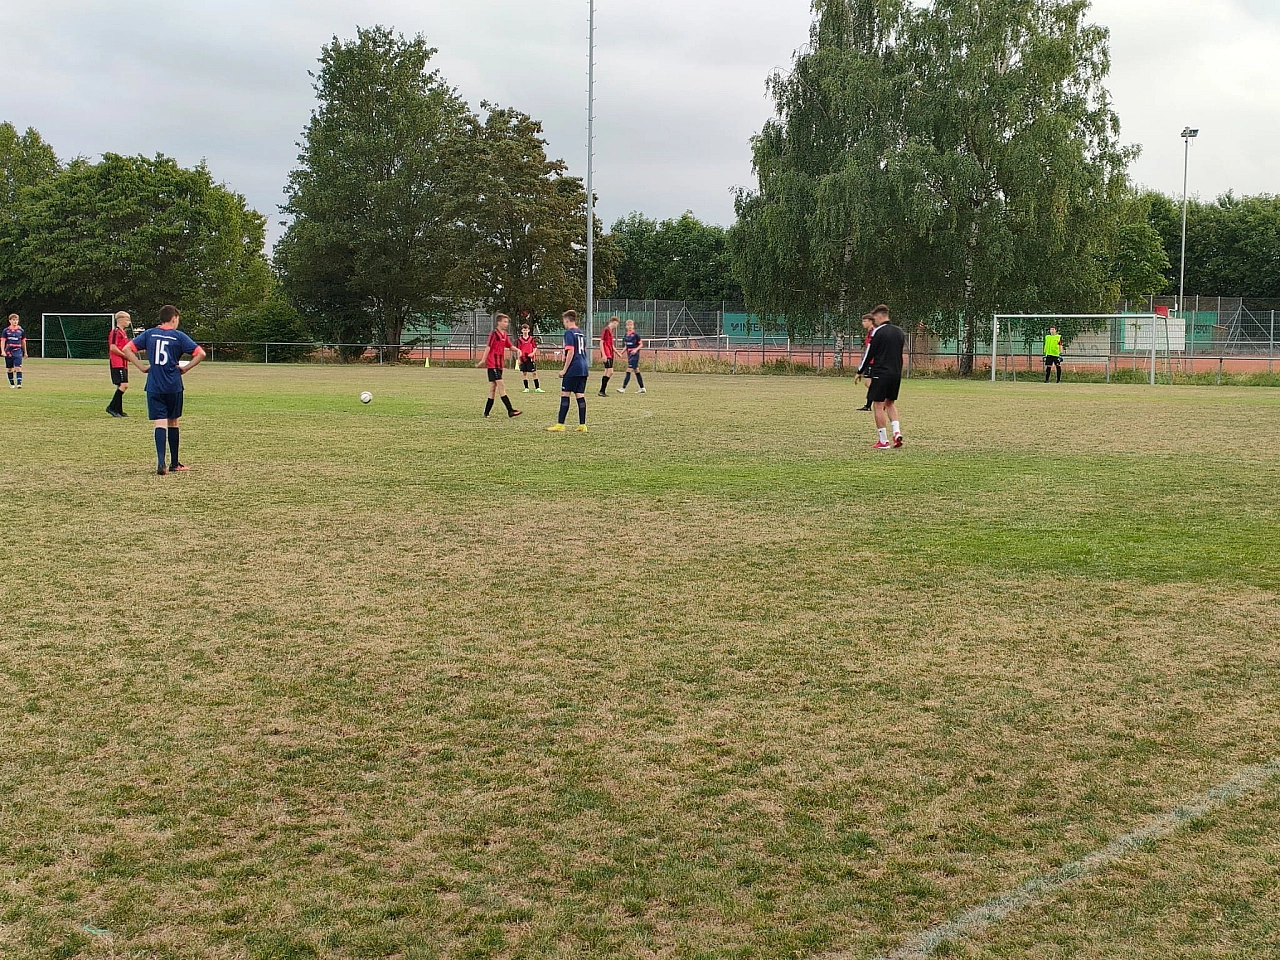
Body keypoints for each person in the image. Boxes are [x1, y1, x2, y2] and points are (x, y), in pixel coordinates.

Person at [115, 304, 206, 475]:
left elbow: (127, 349)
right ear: (174, 318)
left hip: (154, 385)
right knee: (173, 421)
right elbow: (201, 353)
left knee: (160, 423)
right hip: (173, 385)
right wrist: (186, 368)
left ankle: (161, 462)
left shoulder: (149, 334)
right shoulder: (179, 336)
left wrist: (142, 367)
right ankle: (175, 463)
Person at [858, 304, 906, 450]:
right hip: (896, 373)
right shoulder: (899, 332)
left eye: (875, 318)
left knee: (878, 405)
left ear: (880, 316)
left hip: (881, 373)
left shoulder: (878, 332)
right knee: (890, 403)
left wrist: (860, 370)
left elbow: (869, 352)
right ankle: (896, 432)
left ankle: (883, 441)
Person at [547, 309, 588, 433]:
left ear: (566, 320)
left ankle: (560, 424)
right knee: (579, 395)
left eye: (563, 321)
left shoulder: (569, 333)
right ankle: (582, 425)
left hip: (573, 368)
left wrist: (564, 370)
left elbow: (571, 351)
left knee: (565, 394)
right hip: (583, 367)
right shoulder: (581, 333)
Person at [476, 313, 522, 419]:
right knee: (501, 386)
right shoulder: (494, 334)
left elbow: (509, 346)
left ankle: (486, 412)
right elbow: (488, 347)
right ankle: (510, 410)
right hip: (493, 364)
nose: (506, 324)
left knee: (493, 388)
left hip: (499, 365)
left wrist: (518, 350)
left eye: (507, 322)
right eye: (504, 322)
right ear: (499, 322)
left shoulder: (504, 335)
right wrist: (483, 360)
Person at [106, 311, 134, 416]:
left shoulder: (123, 333)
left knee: (121, 385)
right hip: (117, 362)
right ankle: (111, 407)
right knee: (124, 385)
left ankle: (118, 410)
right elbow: (113, 348)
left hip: (123, 363)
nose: (129, 322)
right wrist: (124, 355)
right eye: (127, 320)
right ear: (121, 319)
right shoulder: (115, 332)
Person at [617, 319, 646, 394]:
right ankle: (642, 388)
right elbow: (626, 346)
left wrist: (636, 350)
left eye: (631, 325)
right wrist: (621, 353)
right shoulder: (626, 335)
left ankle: (623, 388)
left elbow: (641, 344)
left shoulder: (636, 335)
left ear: (633, 326)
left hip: (635, 355)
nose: (630, 326)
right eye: (628, 325)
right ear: (626, 326)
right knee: (636, 370)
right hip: (629, 355)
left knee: (628, 370)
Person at [854, 314, 875, 411]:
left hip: (872, 362)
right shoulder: (869, 332)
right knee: (870, 384)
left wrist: (860, 370)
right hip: (869, 361)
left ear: (871, 321)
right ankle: (868, 405)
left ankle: (881, 400)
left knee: (869, 384)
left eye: (865, 321)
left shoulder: (873, 332)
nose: (863, 323)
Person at [517, 322, 543, 393]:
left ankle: (537, 388)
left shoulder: (531, 339)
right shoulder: (520, 340)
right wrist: (519, 359)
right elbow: (518, 350)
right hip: (523, 358)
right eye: (524, 330)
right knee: (524, 373)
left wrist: (533, 353)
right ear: (522, 331)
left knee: (534, 373)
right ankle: (526, 388)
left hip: (530, 358)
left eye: (526, 330)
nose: (525, 331)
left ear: (528, 330)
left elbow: (535, 347)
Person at [598, 316, 619, 396]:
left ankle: (602, 391)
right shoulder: (606, 330)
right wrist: (603, 354)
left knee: (607, 371)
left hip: (610, 353)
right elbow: (601, 342)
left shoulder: (610, 331)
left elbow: (610, 344)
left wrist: (617, 352)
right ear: (614, 322)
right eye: (616, 324)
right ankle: (602, 390)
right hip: (607, 354)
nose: (616, 326)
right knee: (610, 371)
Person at [3, 314, 27, 389]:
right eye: (13, 320)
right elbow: (3, 341)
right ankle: (12, 384)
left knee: (18, 367)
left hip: (18, 351)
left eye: (16, 320)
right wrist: (2, 351)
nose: (15, 321)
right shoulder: (6, 331)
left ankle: (19, 384)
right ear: (10, 321)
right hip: (8, 351)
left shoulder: (21, 331)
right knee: (10, 369)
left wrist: (25, 352)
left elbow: (23, 341)